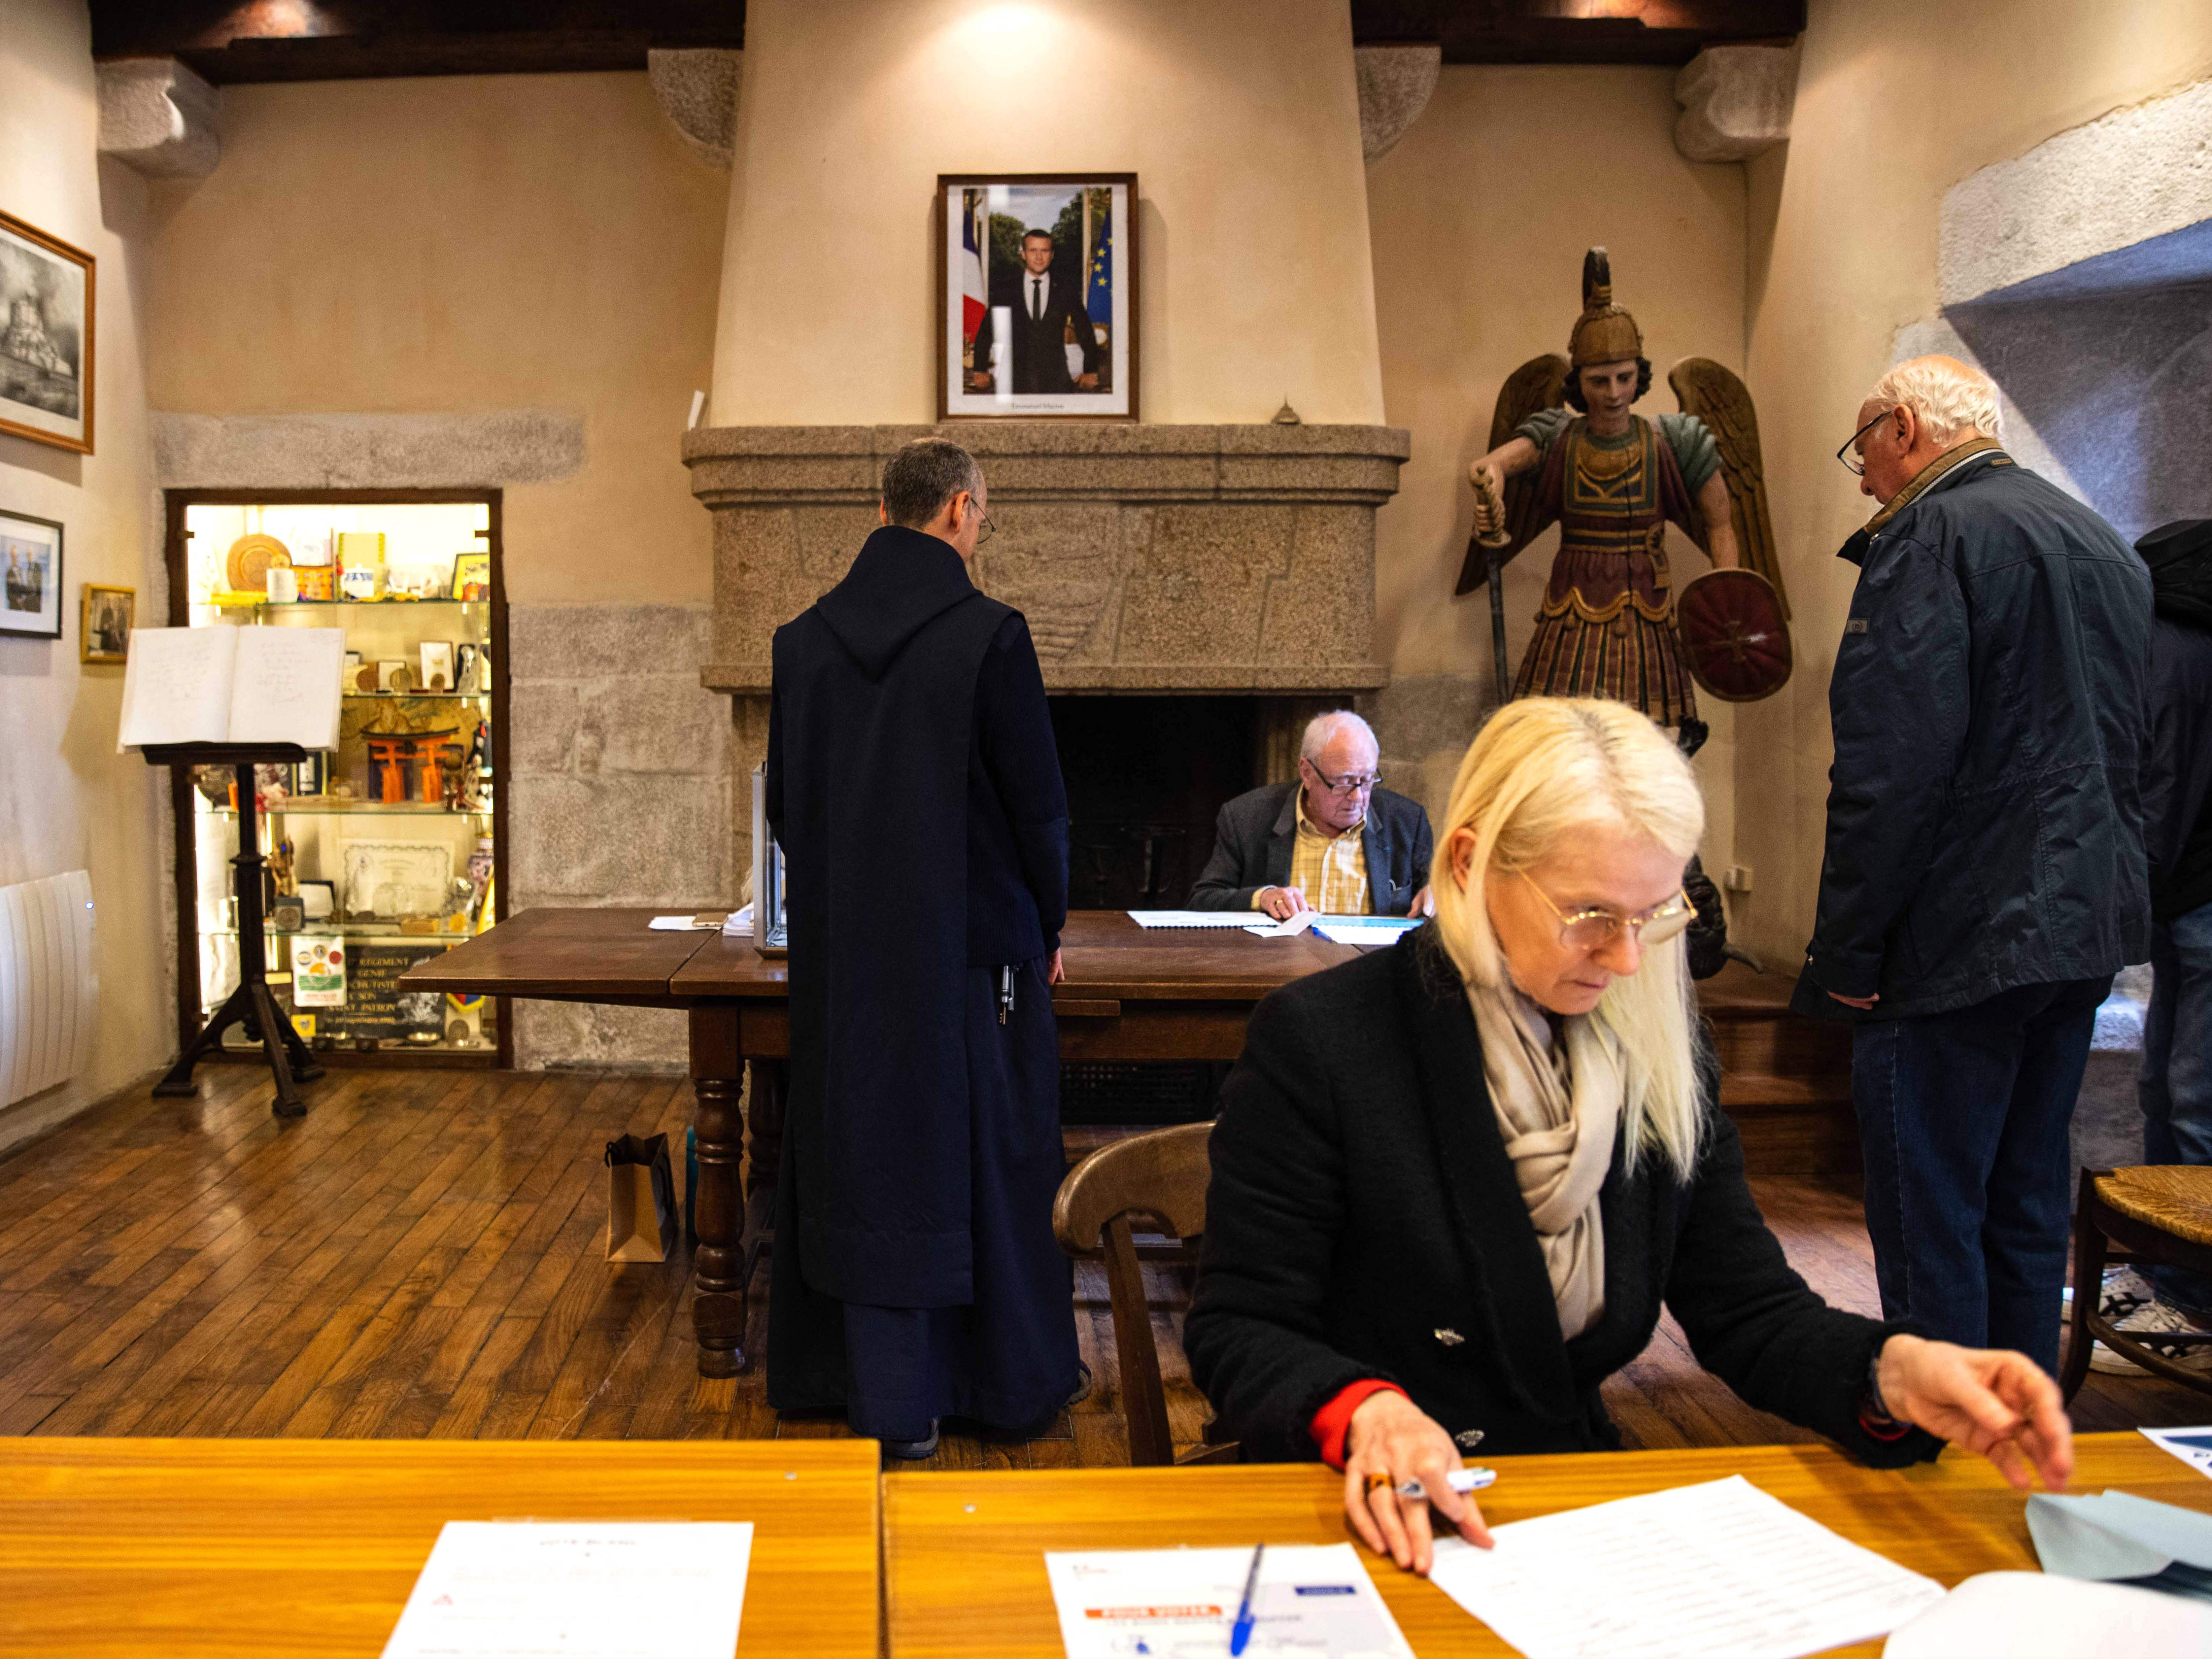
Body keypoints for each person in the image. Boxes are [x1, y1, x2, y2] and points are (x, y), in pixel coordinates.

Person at [1185, 698, 2073, 1577]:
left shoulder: (1653, 1042)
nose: (1627, 961)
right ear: (1469, 863)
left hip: (1554, 1509)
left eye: (1652, 915)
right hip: (1354, 1511)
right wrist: (1365, 1408)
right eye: (1592, 916)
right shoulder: (1327, 1038)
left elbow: (1747, 1312)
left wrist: (1891, 1370)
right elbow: (1241, 1327)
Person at [1793, 355, 2152, 1377]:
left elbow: (1890, 766)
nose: (1861, 475)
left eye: (1860, 446)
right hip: (2083, 930)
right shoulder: (2100, 538)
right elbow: (2138, 750)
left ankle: (1943, 1446)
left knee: (1932, 1205)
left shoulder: (1929, 533)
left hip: (1958, 937)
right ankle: (2021, 1424)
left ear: (1902, 427)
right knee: (2027, 1197)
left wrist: (1849, 951)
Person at [764, 436, 1081, 1459]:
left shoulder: (803, 641)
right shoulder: (991, 636)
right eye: (982, 514)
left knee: (858, 1156)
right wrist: (1048, 926)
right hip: (968, 970)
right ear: (955, 510)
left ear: (884, 507)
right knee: (976, 1160)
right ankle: (985, 1384)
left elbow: (785, 810)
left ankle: (863, 1389)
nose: (979, 529)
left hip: (842, 966)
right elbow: (1040, 813)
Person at [1464, 250, 1740, 747]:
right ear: (1577, 382)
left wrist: (1725, 604)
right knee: (1556, 743)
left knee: (1647, 744)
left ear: (1640, 374)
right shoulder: (1557, 436)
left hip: (1646, 610)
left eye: (1623, 377)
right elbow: (1496, 463)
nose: (1613, 393)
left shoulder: (1674, 439)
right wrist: (1491, 482)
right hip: (1570, 606)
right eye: (1598, 380)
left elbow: (1721, 523)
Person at [2109, 518, 2212, 1358]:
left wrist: (2120, 921)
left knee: (2188, 1099)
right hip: (2191, 899)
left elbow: (2160, 787)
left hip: (2195, 900)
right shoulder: (2184, 639)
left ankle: (2189, 1301)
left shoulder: (2166, 647)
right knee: (2169, 1090)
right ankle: (2161, 1275)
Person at [1187, 711, 1433, 920]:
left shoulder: (1407, 821)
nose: (1358, 797)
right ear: (1307, 773)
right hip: (1280, 965)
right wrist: (1262, 898)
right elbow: (1203, 901)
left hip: (1372, 967)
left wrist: (1440, 895)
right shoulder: (1247, 817)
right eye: (1343, 783)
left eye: (1367, 781)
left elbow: (1441, 890)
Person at [967, 229, 1102, 398]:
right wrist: (980, 370)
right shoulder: (1006, 290)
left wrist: (1091, 370)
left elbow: (1086, 331)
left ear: (1052, 255)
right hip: (1014, 383)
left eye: (1044, 251)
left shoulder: (1065, 289)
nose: (1039, 257)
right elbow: (986, 332)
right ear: (1024, 254)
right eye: (1033, 251)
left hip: (1057, 384)